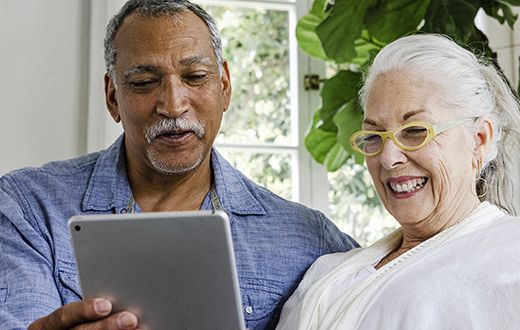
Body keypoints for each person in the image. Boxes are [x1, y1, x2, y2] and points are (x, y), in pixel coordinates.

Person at [0, 1, 358, 329]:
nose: (173, 105)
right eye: (144, 82)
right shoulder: (29, 208)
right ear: (112, 98)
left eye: (195, 77)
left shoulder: (309, 238)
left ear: (225, 86)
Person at [276, 34, 520, 329]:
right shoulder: (327, 271)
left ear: (479, 140)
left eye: (415, 131)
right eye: (374, 136)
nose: (388, 158)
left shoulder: (509, 258)